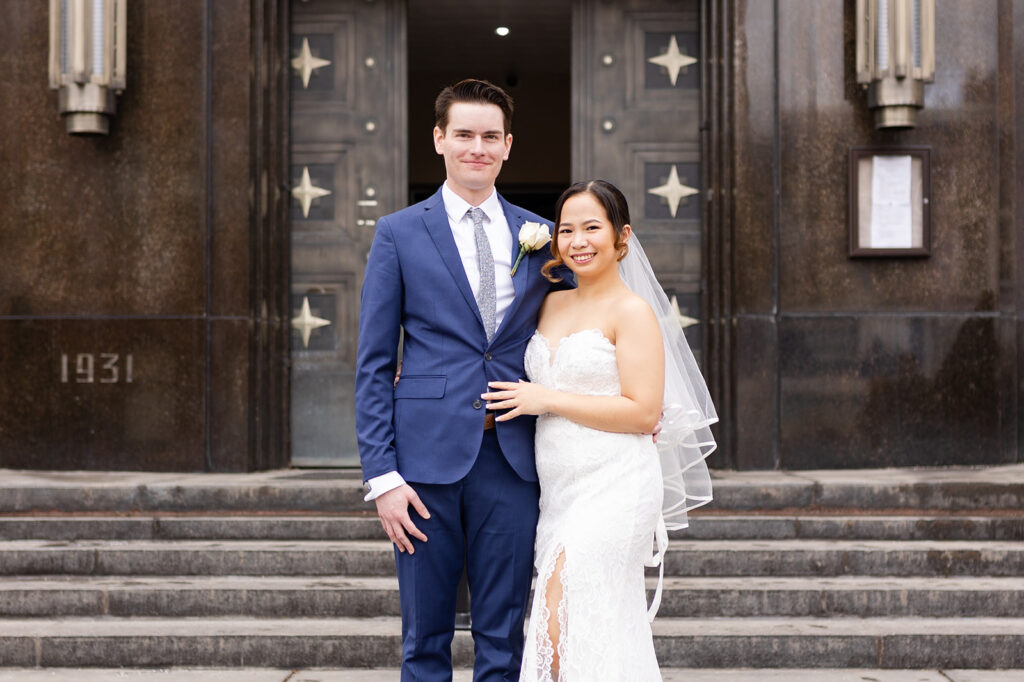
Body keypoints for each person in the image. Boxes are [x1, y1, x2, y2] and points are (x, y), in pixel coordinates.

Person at [354, 79, 571, 681]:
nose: (477, 147)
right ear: (439, 140)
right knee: (424, 636)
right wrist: (383, 476)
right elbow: (374, 362)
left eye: (490, 136)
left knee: (505, 633)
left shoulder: (542, 236)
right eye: (464, 134)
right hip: (422, 465)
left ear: (508, 146)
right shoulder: (398, 233)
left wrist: (631, 399)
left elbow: (585, 328)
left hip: (513, 456)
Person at [482, 180, 717, 681]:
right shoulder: (548, 303)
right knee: (582, 626)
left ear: (621, 237)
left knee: (559, 617)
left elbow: (642, 412)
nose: (577, 240)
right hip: (559, 492)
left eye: (592, 227)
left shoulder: (633, 312)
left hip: (615, 485)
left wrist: (546, 399)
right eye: (566, 229)